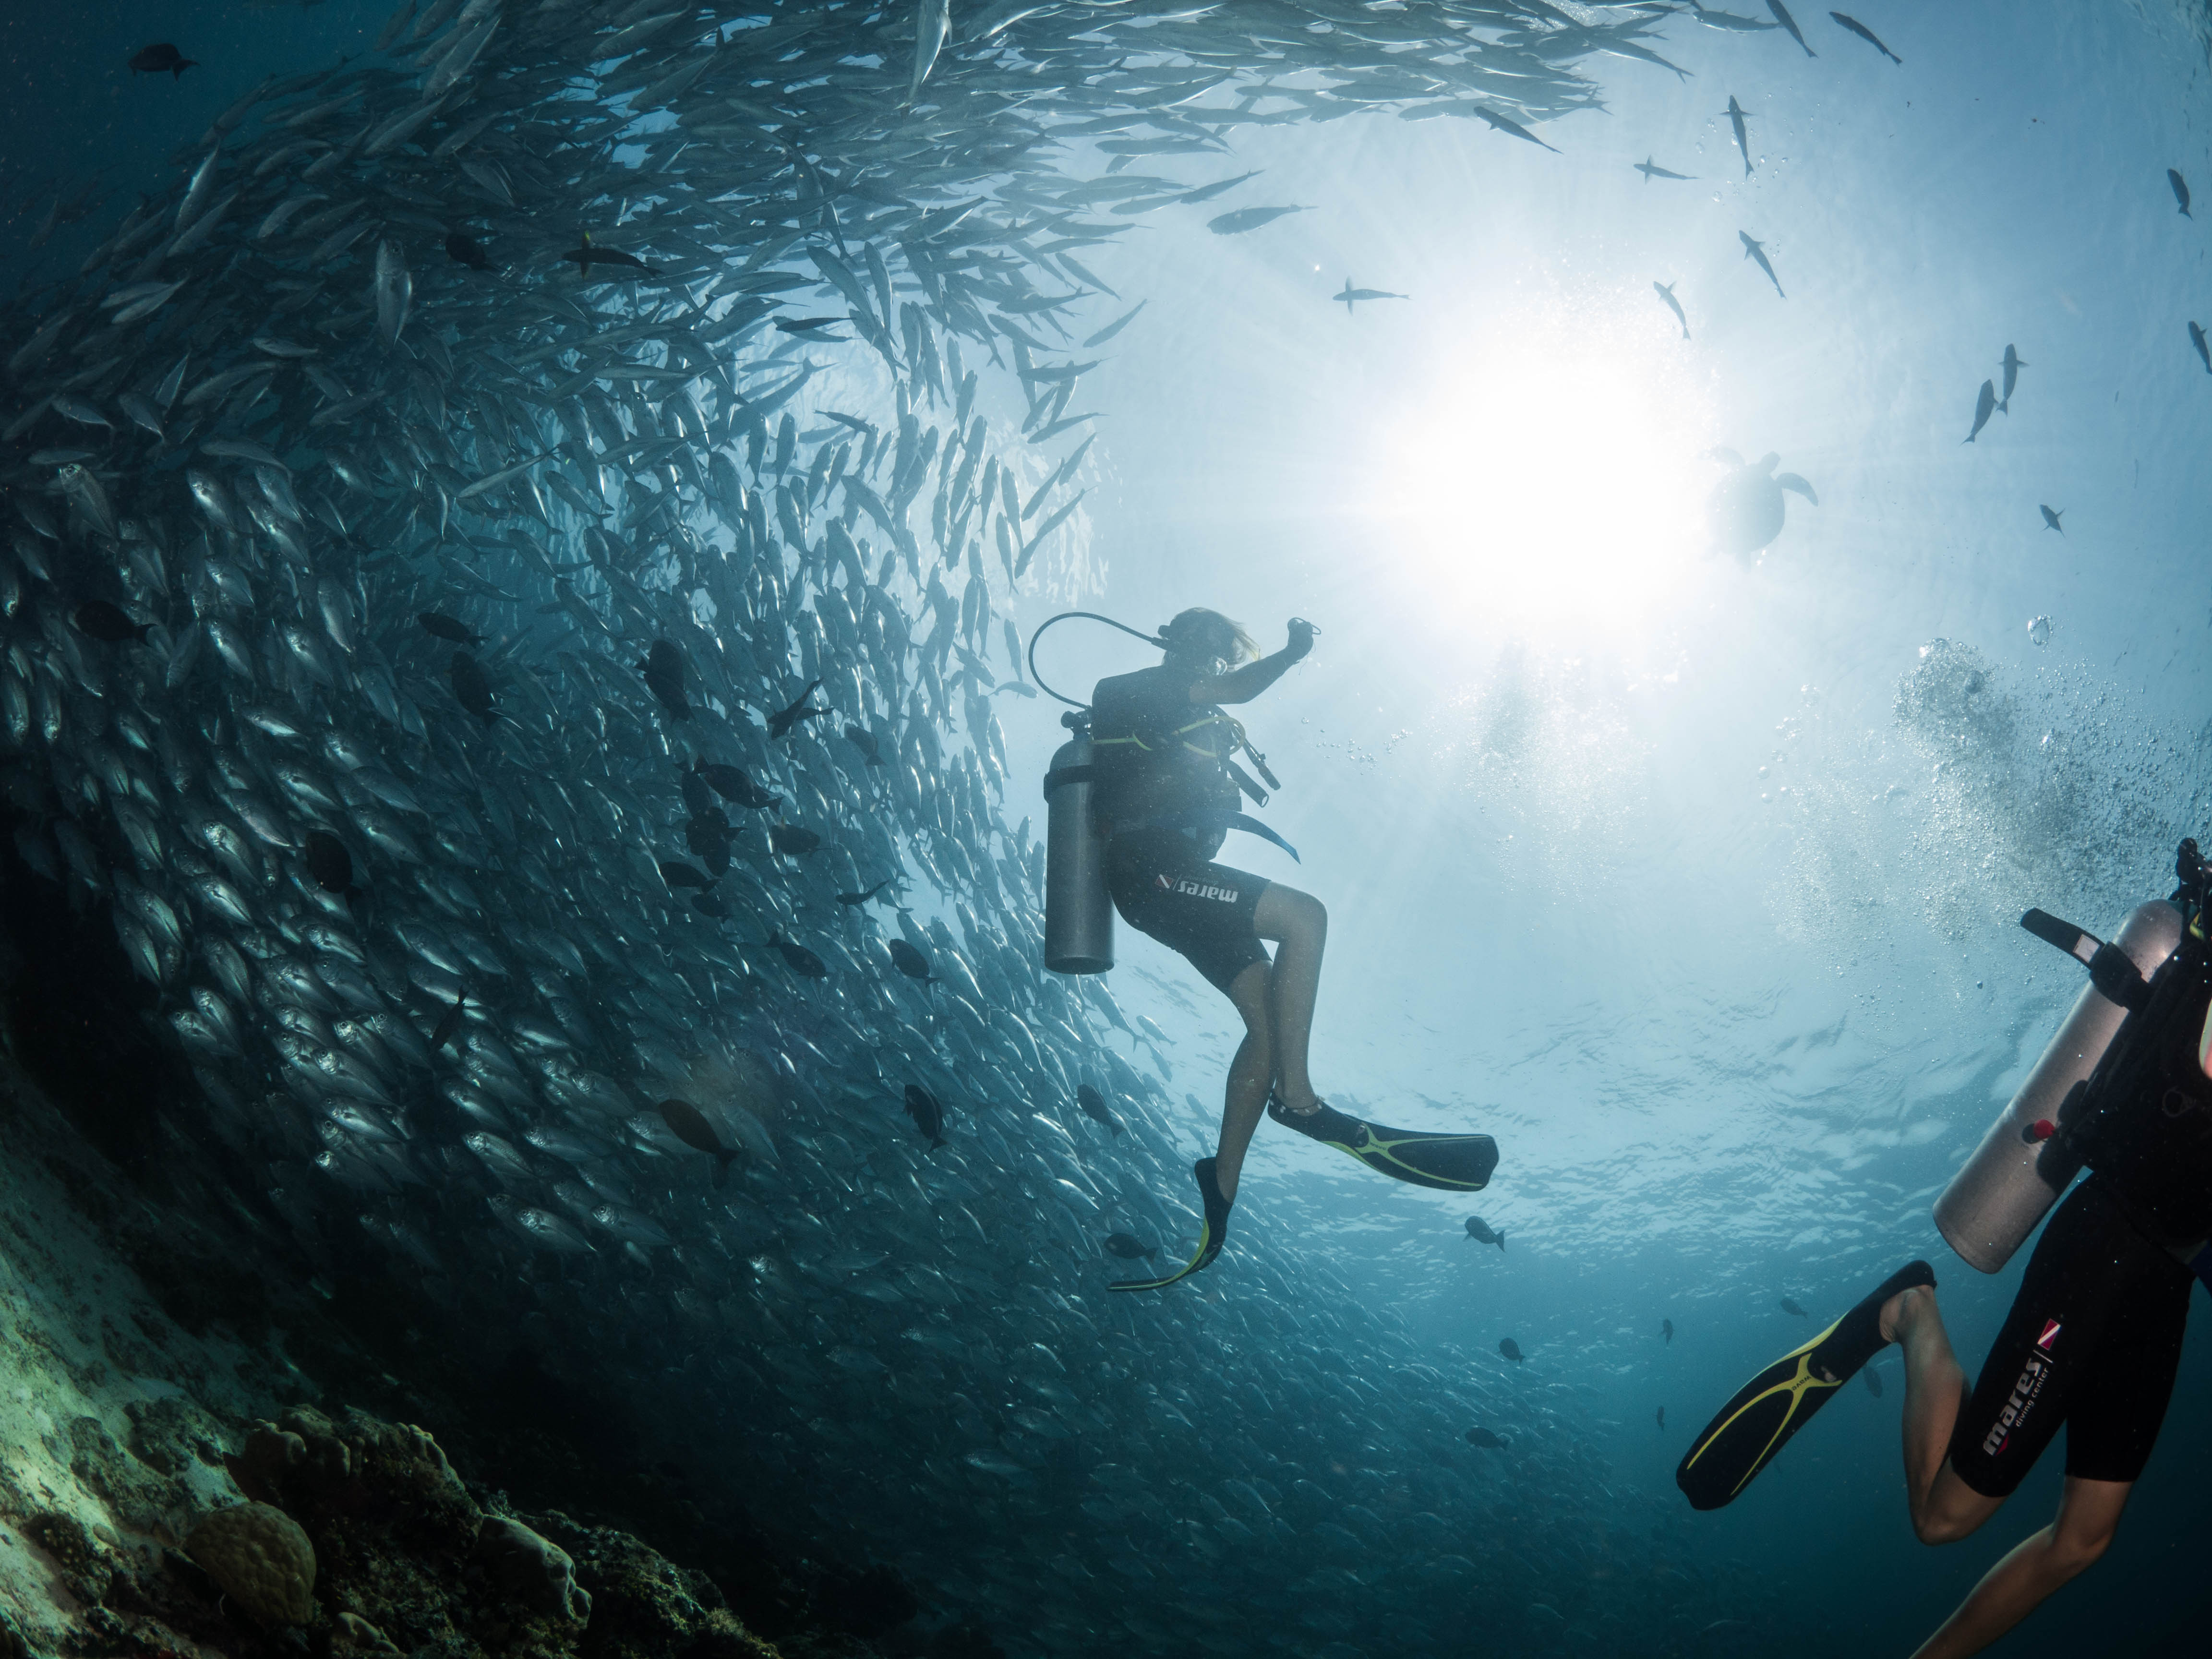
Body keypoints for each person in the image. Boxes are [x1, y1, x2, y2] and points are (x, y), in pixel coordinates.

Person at [1089, 609, 1497, 1292]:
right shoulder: (1127, 689)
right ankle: (1299, 1103)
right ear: (1178, 643)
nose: (1216, 664)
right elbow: (1240, 692)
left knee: (1269, 1024)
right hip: (1150, 872)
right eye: (1212, 649)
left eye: (1223, 655)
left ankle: (1220, 1184)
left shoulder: (1185, 709)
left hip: (1179, 883)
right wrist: (1295, 650)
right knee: (1305, 917)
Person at [1873, 1174, 2191, 1658]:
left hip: (2170, 1276)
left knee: (2084, 1539)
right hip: (2107, 1238)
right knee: (1941, 1519)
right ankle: (1912, 1308)